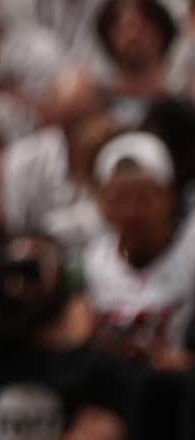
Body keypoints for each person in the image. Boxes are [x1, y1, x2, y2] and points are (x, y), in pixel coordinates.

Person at [81, 131, 195, 365]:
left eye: (143, 197)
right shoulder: (92, 260)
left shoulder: (189, 249)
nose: (132, 211)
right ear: (102, 202)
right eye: (120, 198)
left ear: (168, 194)